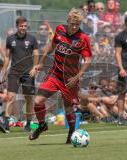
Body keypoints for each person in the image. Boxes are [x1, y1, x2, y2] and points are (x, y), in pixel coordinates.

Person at [28, 8, 92, 144]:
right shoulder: (59, 29)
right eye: (72, 24)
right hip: (55, 74)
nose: (74, 27)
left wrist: (78, 76)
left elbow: (88, 60)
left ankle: (72, 133)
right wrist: (41, 63)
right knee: (38, 101)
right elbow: (52, 45)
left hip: (70, 78)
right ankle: (42, 125)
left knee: (68, 107)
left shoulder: (83, 38)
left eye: (77, 25)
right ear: (68, 21)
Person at [1, 16, 39, 133]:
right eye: (21, 26)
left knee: (29, 98)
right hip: (14, 72)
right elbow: (7, 57)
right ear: (17, 26)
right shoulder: (10, 39)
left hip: (28, 73)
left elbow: (36, 54)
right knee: (10, 97)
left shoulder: (32, 39)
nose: (23, 28)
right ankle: (6, 124)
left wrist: (34, 68)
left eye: (25, 26)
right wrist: (4, 72)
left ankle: (28, 124)